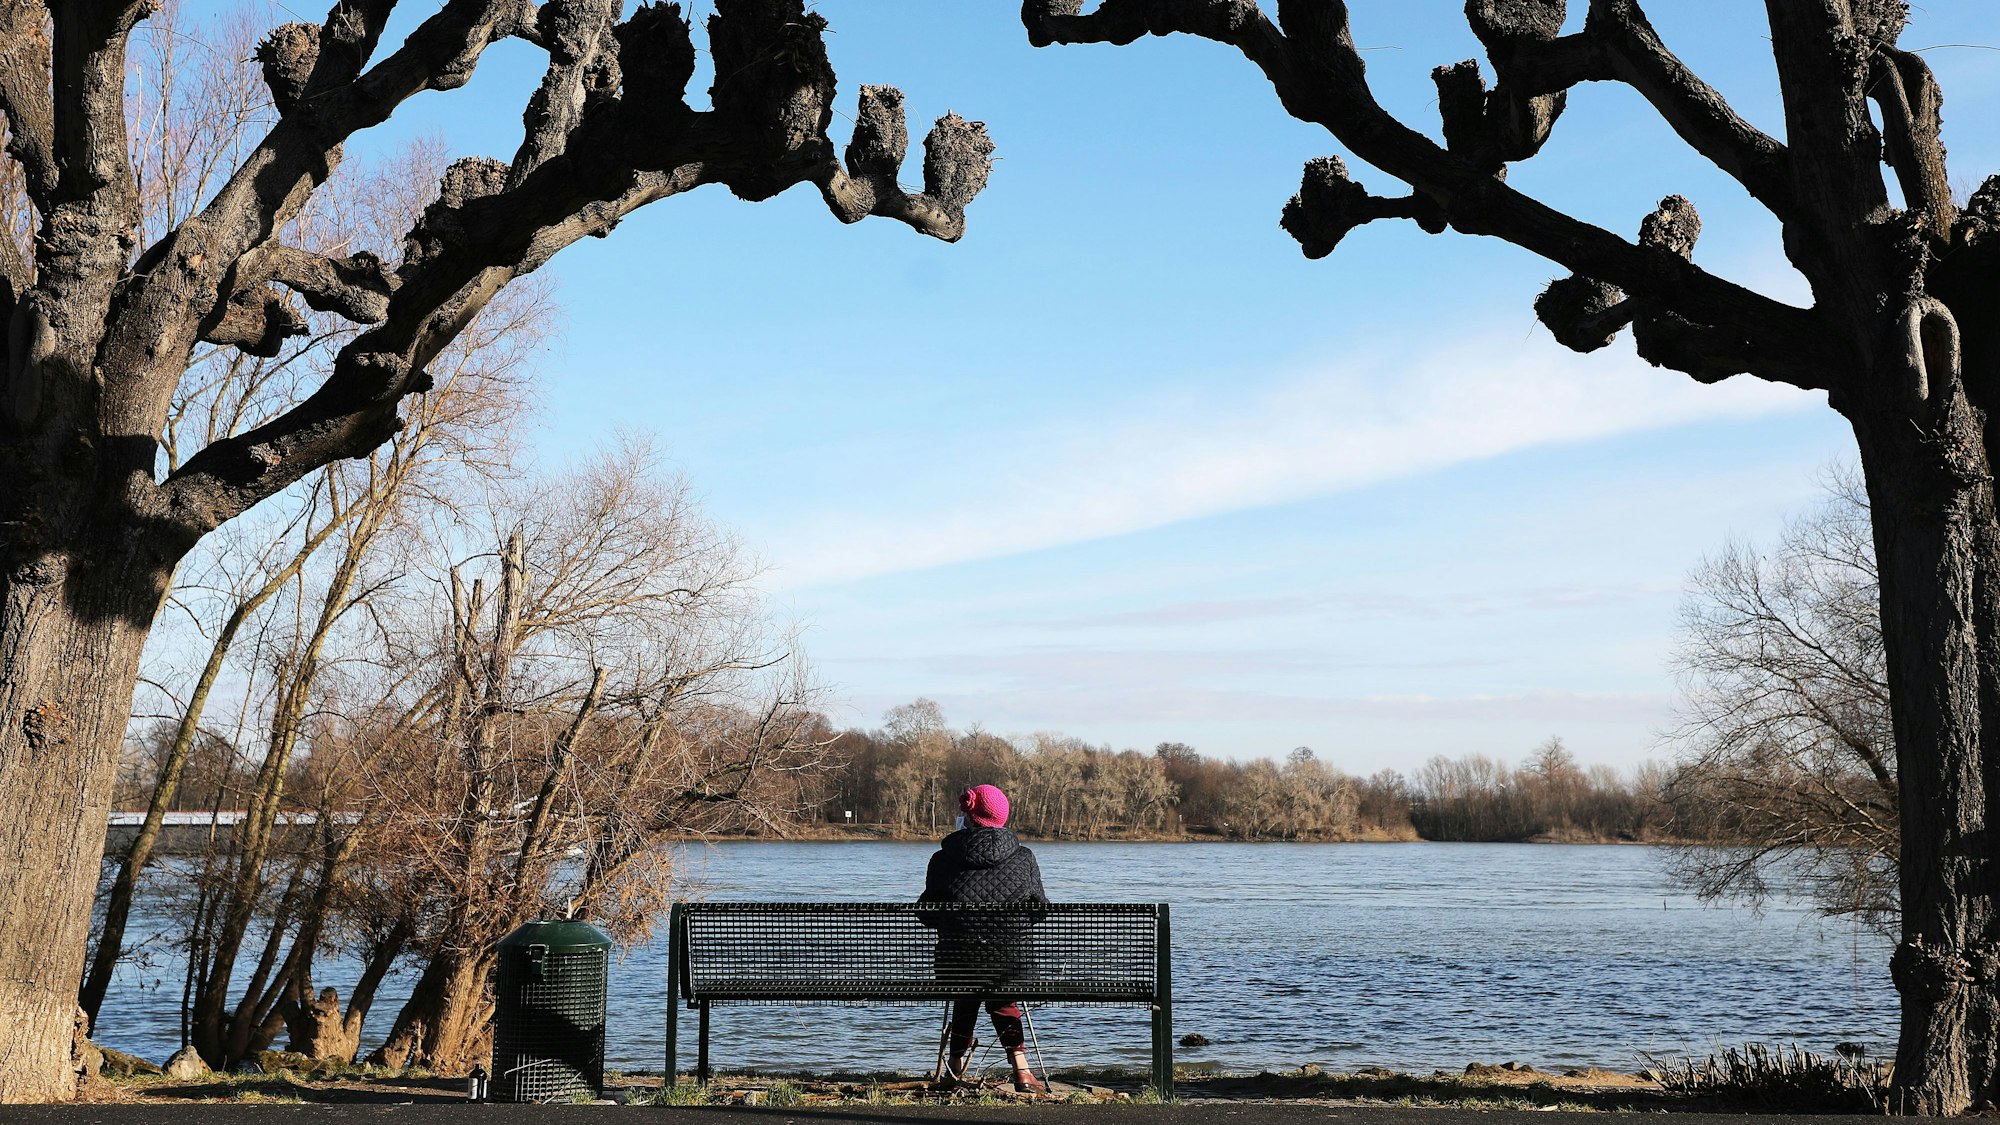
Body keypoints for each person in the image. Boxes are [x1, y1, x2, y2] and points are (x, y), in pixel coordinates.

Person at [919, 783, 1048, 1092]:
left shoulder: (942, 859)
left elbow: (925, 913)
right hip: (1010, 965)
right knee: (1001, 991)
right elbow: (1040, 910)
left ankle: (955, 1067)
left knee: (966, 987)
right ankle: (1022, 1071)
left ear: (967, 815)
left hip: (956, 964)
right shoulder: (1024, 857)